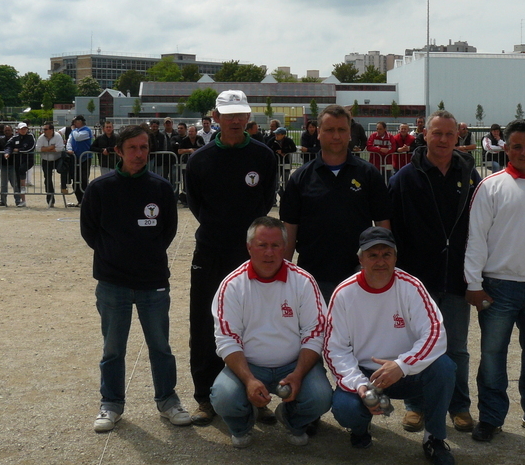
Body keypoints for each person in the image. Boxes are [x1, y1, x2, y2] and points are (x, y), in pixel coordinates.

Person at [80, 124, 191, 433]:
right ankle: (111, 404)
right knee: (113, 348)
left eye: (144, 147)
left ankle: (168, 400)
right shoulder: (99, 189)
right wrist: (114, 256)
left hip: (152, 281)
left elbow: (167, 231)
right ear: (118, 151)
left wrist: (146, 256)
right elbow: (89, 232)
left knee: (161, 347)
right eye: (133, 148)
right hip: (112, 283)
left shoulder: (161, 188)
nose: (139, 154)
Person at [464, 119, 525, 442]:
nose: (523, 152)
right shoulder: (491, 186)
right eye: (516, 146)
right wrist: (474, 283)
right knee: (493, 357)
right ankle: (491, 418)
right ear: (505, 148)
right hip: (498, 287)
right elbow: (476, 238)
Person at [324, 227, 456, 465]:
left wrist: (402, 365)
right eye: (373, 255)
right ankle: (360, 429)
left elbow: (435, 333)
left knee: (444, 368)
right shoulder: (344, 293)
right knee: (345, 409)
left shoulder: (411, 286)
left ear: (395, 257)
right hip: (366, 374)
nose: (380, 261)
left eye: (386, 254)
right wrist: (360, 385)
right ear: (361, 258)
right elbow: (335, 349)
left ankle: (434, 439)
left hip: (406, 372)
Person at [185, 90, 277, 426]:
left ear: (248, 116)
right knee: (204, 322)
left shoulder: (263, 157)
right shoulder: (199, 159)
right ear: (216, 117)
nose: (236, 120)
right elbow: (196, 204)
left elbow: (265, 200)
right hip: (210, 250)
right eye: (229, 114)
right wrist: (219, 228)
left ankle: (258, 395)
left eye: (241, 114)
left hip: (250, 253)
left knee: (256, 322)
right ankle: (205, 397)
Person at [388, 110, 479, 434]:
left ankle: (459, 406)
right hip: (417, 280)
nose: (442, 140)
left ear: (458, 138)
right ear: (424, 135)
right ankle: (417, 406)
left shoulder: (470, 175)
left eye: (448, 134)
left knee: (456, 348)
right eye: (436, 133)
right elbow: (391, 231)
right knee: (416, 344)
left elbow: (479, 227)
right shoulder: (403, 179)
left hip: (456, 277)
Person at [210, 217, 332, 449]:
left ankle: (291, 419)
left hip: (293, 365)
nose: (269, 252)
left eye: (276, 245)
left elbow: (315, 332)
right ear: (249, 247)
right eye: (261, 245)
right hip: (250, 365)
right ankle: (242, 425)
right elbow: (227, 338)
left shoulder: (304, 281)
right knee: (223, 397)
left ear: (285, 247)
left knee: (321, 397)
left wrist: (297, 374)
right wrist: (248, 379)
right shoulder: (233, 285)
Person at [280, 104, 391, 302]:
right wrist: (283, 274)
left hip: (359, 276)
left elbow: (383, 225)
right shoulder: (300, 178)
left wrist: (385, 269)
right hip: (312, 278)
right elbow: (290, 229)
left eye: (342, 130)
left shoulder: (368, 174)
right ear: (318, 133)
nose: (336, 136)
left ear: (350, 134)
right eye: (329, 130)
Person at [4, 122, 35, 208]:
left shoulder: (30, 137)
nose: (23, 130)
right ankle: (23, 200)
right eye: (21, 129)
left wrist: (19, 150)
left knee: (22, 170)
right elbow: (8, 146)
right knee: (18, 180)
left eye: (25, 129)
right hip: (17, 161)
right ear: (18, 130)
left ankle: (23, 183)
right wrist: (7, 153)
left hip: (28, 160)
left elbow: (31, 147)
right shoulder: (14, 138)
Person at [37, 122, 65, 207]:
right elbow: (38, 148)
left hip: (57, 159)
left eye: (45, 129)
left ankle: (64, 186)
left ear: (51, 130)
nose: (44, 131)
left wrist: (45, 149)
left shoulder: (57, 136)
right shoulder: (41, 137)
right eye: (44, 129)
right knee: (47, 179)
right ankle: (50, 200)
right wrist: (51, 148)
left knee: (63, 170)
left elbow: (60, 148)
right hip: (46, 160)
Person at [66, 115, 93, 206]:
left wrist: (73, 130)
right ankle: (80, 200)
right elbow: (69, 141)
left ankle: (87, 201)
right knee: (75, 180)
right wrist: (69, 149)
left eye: (75, 121)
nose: (74, 123)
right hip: (75, 158)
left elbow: (77, 137)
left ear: (80, 121)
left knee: (84, 179)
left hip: (85, 158)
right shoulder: (74, 132)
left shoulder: (87, 130)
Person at [268, 127, 297, 194]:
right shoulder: (272, 141)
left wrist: (284, 151)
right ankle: (275, 199)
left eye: (278, 134)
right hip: (276, 164)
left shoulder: (288, 141)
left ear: (283, 135)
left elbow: (294, 149)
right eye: (276, 134)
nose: (276, 135)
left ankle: (285, 197)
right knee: (276, 182)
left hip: (286, 163)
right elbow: (268, 149)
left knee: (286, 181)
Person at [0, 125, 18, 207]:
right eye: (5, 130)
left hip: (14, 165)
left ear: (12, 131)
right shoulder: (1, 141)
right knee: (3, 184)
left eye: (8, 130)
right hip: (4, 165)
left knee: (15, 184)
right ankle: (3, 201)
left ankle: (18, 200)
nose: (7, 132)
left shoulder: (15, 140)